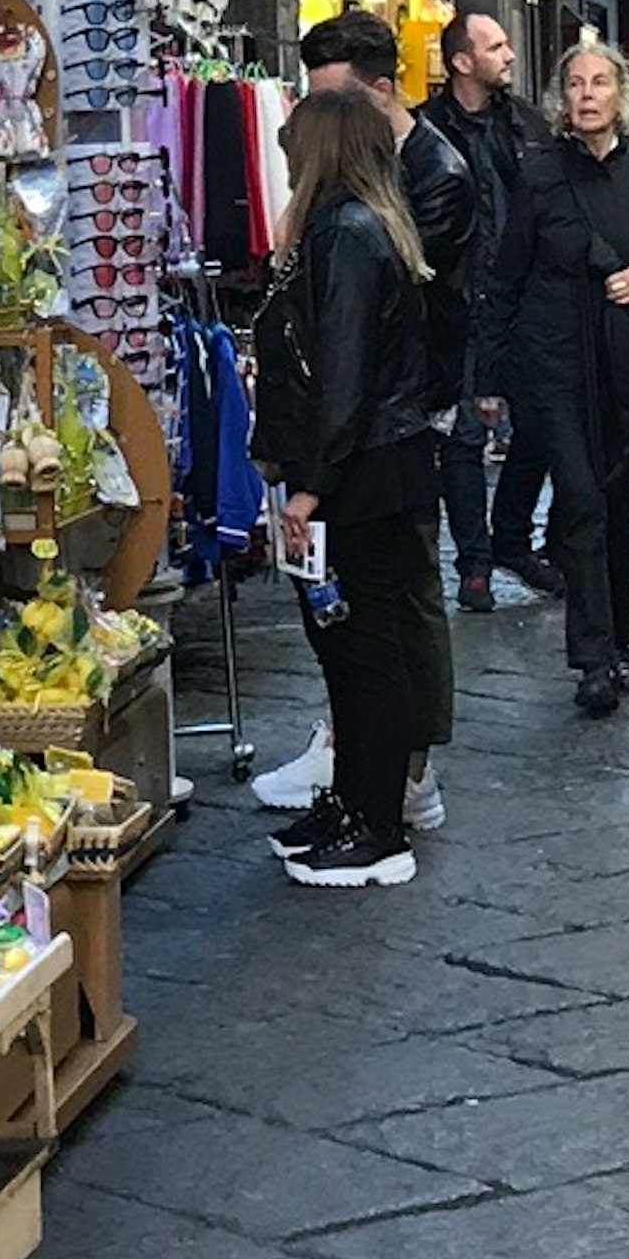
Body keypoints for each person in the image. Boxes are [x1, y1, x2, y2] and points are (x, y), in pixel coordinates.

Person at [244, 77, 439, 889]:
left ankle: (376, 824)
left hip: (357, 475)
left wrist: (308, 488)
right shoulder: (347, 231)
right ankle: (355, 804)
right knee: (348, 644)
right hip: (363, 466)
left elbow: (345, 377)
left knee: (362, 646)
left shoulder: (349, 238)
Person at [484, 35, 629, 716]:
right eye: (576, 84)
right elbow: (507, 272)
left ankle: (622, 640)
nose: (588, 95)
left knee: (618, 508)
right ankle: (592, 656)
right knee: (579, 502)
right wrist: (490, 373)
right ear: (562, 100)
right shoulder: (539, 174)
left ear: (621, 95)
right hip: (554, 362)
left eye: (601, 83)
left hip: (626, 363)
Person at [416, 2, 544, 613]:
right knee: (462, 438)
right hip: (454, 301)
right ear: (462, 61)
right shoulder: (423, 133)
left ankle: (512, 537)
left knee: (540, 427)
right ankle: (475, 563)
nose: (510, 55)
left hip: (521, 299)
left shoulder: (526, 126)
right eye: (495, 47)